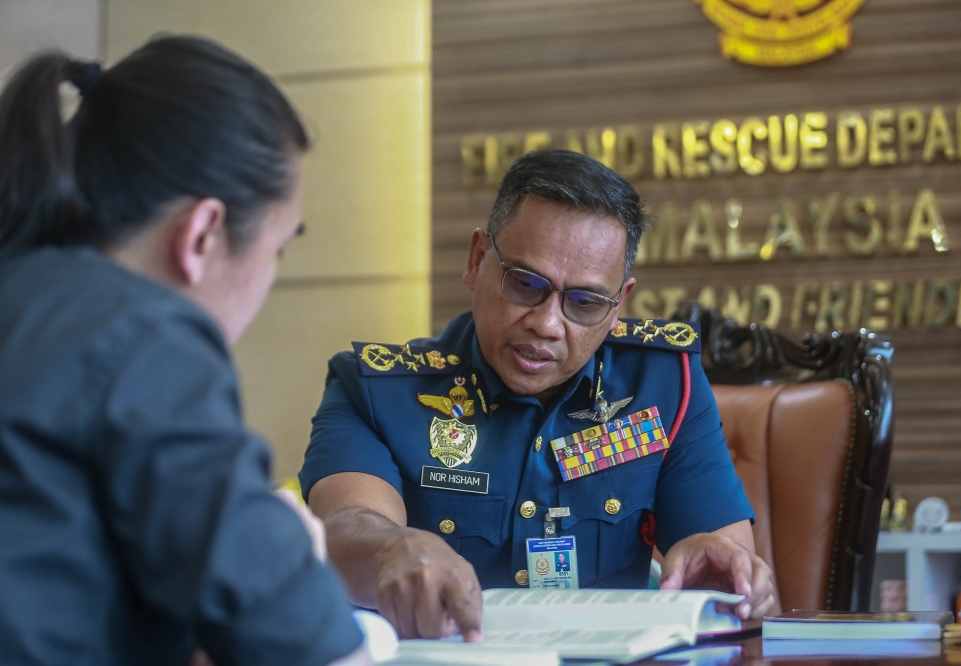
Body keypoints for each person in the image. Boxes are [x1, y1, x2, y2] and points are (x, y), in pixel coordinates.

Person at [300, 150, 775, 642]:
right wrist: (387, 550)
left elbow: (726, 555)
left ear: (619, 306)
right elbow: (343, 527)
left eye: (585, 303)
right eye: (525, 284)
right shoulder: (378, 390)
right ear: (477, 260)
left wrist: (729, 571)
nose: (547, 325)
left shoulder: (663, 384)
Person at [0, 38, 367, 665]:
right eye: (278, 249)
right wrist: (283, 547)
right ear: (201, 235)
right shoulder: (144, 335)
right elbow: (303, 637)